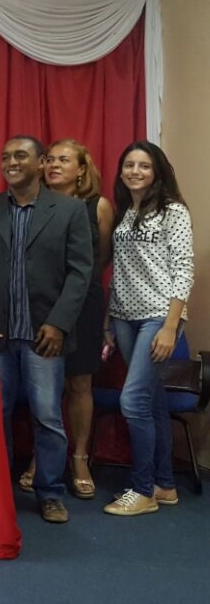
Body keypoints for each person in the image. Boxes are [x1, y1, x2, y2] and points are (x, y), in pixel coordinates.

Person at [0, 135, 93, 524]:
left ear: (40, 164)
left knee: (47, 416)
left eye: (20, 156)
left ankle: (49, 492)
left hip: (43, 336)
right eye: (5, 157)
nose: (11, 162)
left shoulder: (69, 211)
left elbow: (81, 272)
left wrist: (58, 323)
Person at [18, 140, 114, 499]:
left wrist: (77, 289)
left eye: (64, 160)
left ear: (82, 168)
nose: (54, 165)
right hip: (40, 303)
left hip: (83, 304)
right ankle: (43, 461)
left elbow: (102, 257)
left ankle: (79, 458)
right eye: (51, 160)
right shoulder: (33, 204)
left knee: (79, 384)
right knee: (43, 387)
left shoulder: (98, 207)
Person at [102, 141, 194, 516]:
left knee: (133, 401)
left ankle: (142, 492)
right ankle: (165, 484)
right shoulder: (126, 211)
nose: (135, 171)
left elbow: (184, 270)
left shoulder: (173, 211)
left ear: (157, 172)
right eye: (129, 165)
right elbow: (119, 270)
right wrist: (109, 319)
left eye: (143, 165)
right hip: (124, 316)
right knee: (153, 402)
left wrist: (172, 326)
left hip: (158, 316)